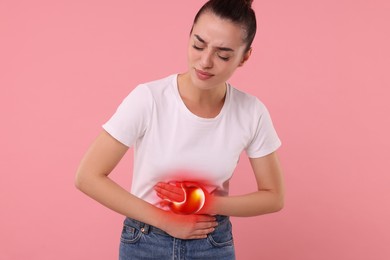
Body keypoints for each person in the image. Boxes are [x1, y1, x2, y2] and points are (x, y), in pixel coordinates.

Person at [75, 0, 284, 259]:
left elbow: (273, 197)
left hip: (212, 243)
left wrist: (206, 202)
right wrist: (166, 221)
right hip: (145, 241)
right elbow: (87, 177)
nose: (205, 61)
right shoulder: (149, 98)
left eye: (223, 54)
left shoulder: (251, 111)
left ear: (245, 56)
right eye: (198, 44)